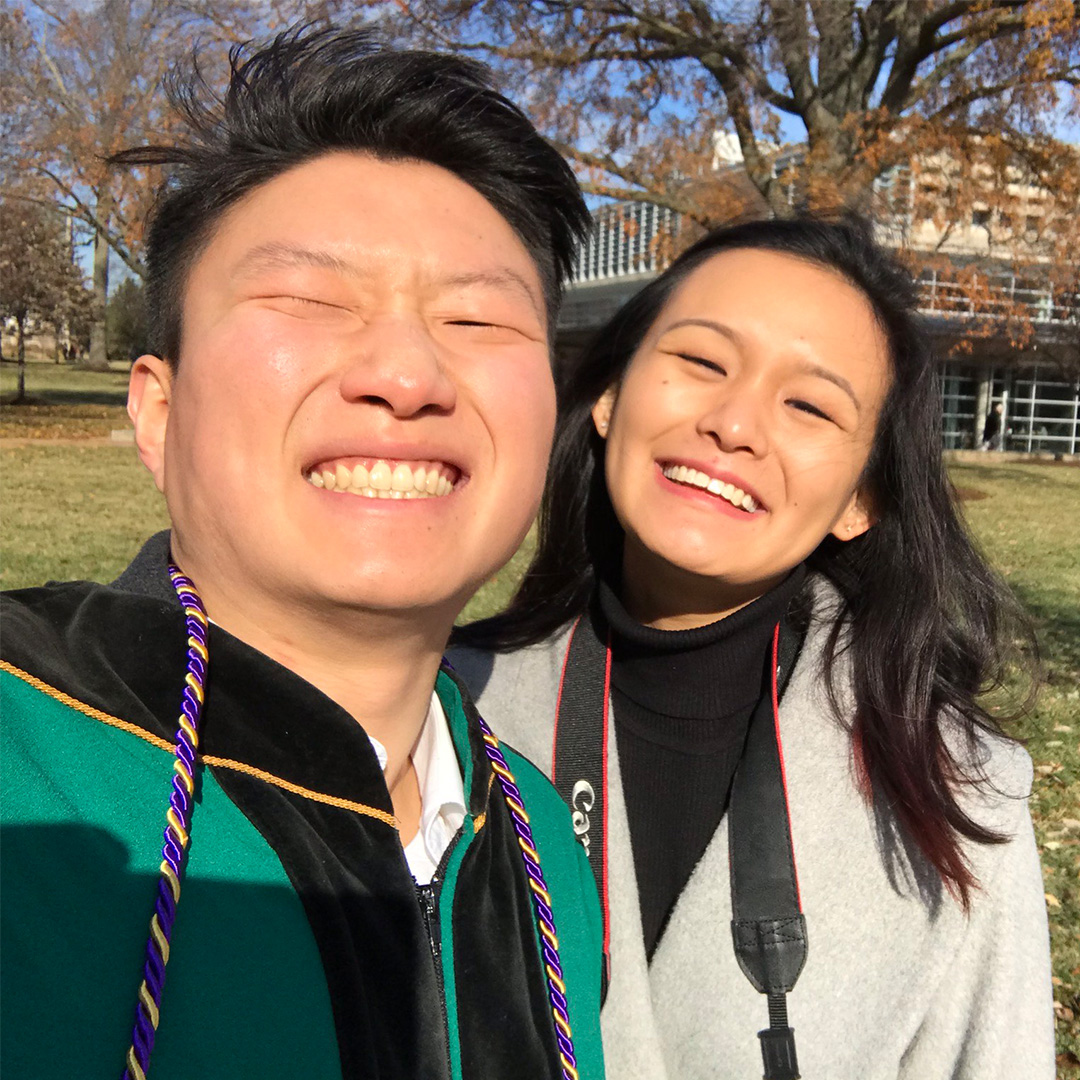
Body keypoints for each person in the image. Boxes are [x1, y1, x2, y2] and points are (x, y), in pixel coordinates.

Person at [0, 27, 605, 1080]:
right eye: (312, 303)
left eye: (477, 319)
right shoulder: (25, 762)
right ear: (158, 408)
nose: (407, 373)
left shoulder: (543, 841)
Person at [451, 218, 1054, 1080]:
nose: (734, 425)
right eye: (700, 362)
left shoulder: (957, 790)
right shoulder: (445, 707)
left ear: (861, 499)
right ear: (612, 396)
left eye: (809, 405)